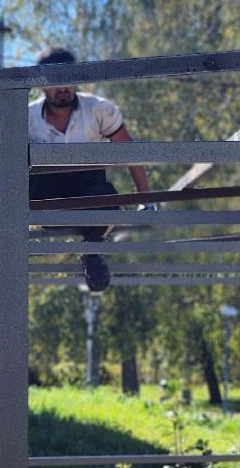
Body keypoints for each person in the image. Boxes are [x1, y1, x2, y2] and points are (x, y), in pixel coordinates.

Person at [28, 47, 151, 292]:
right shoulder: (25, 117)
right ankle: (11, 241)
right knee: (30, 173)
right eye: (54, 82)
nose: (63, 88)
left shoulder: (99, 109)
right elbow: (0, 164)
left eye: (69, 80)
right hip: (48, 202)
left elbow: (129, 150)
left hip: (89, 196)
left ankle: (91, 250)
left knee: (109, 197)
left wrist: (147, 201)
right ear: (41, 85)